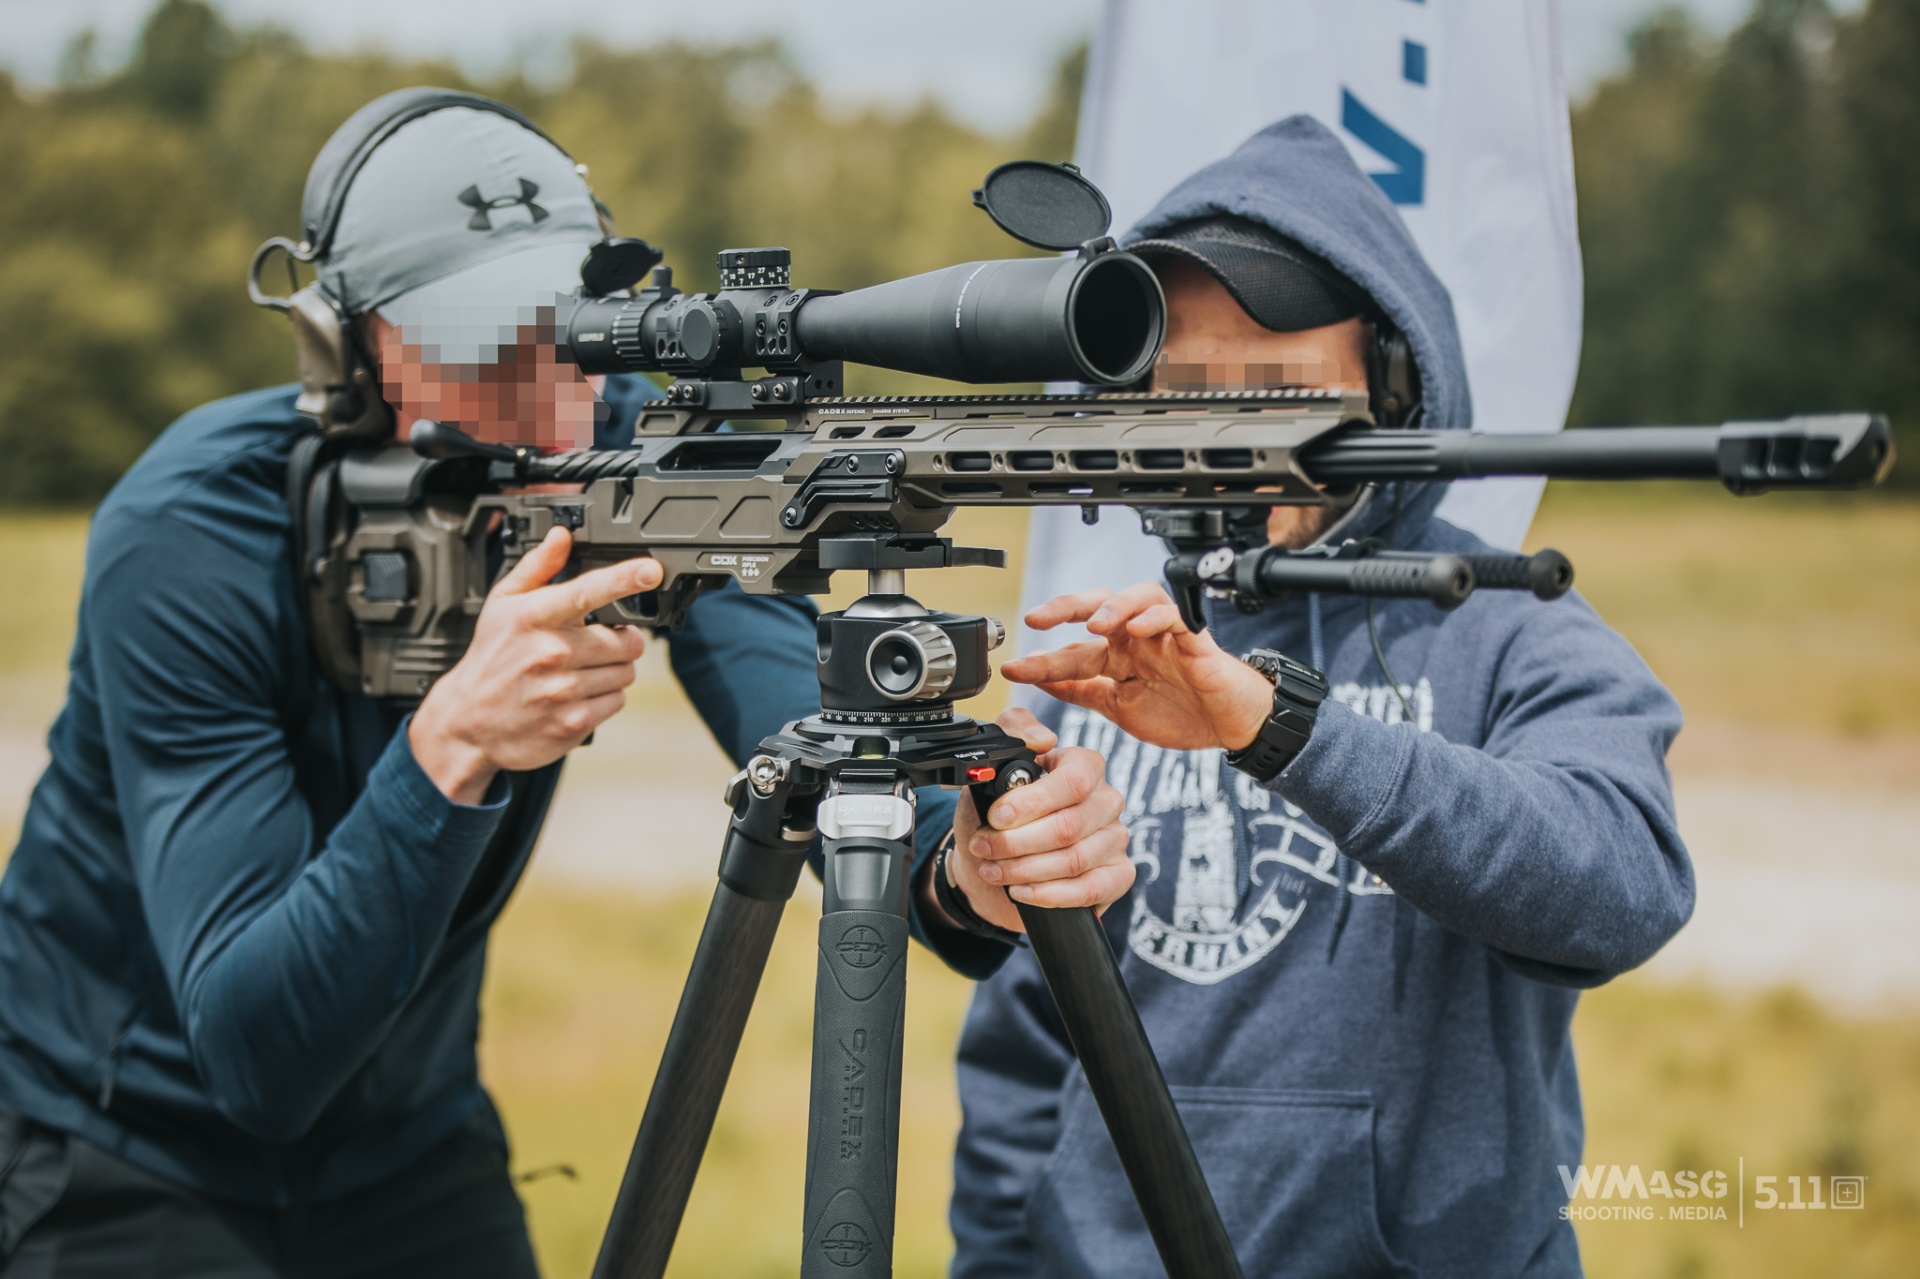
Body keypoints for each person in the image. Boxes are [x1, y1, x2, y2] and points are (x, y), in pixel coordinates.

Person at [0, 88, 1127, 1277]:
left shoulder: (626, 439)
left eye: (570, 336)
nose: (550, 404)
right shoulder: (191, 533)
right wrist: (448, 750)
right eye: (485, 351)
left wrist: (963, 865)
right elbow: (253, 1061)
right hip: (118, 1153)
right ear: (351, 345)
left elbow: (782, 690)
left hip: (413, 1147)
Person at [944, 117, 1693, 1277]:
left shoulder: (1510, 627)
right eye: (1188, 392)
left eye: (1278, 389)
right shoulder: (1106, 655)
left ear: (1392, 388)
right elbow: (1025, 1044)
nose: (1229, 436)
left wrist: (1284, 729)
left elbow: (1622, 886)